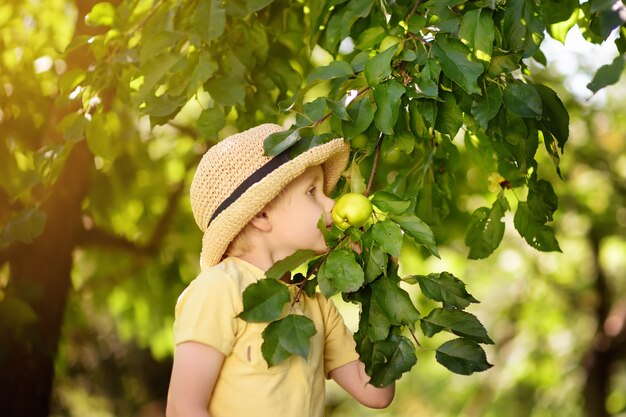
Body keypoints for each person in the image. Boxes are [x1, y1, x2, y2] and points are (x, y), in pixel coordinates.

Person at [166, 124, 395, 417]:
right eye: (312, 192)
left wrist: (380, 288)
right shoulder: (220, 289)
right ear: (261, 214)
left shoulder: (313, 300)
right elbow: (183, 407)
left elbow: (375, 391)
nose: (331, 203)